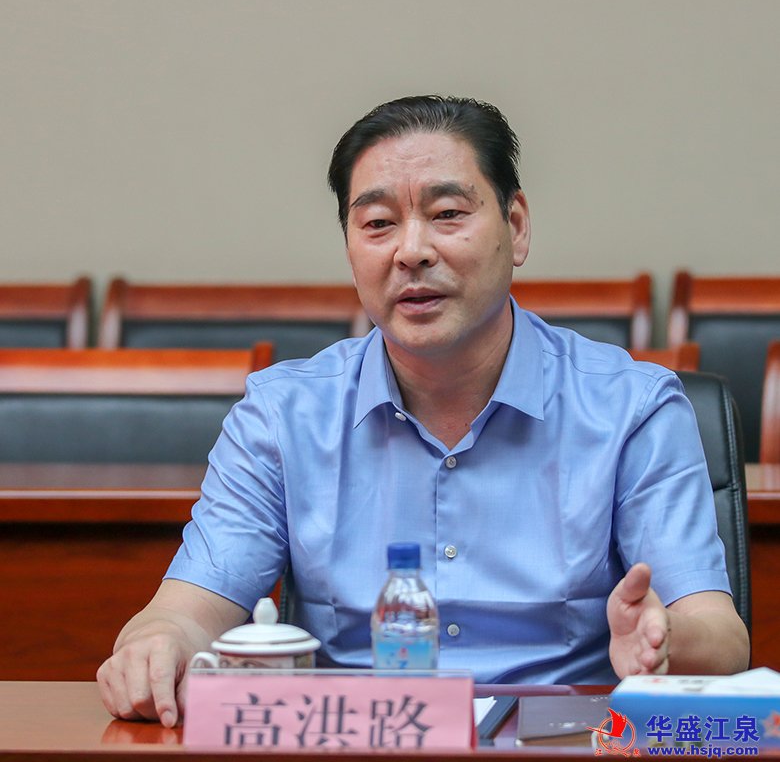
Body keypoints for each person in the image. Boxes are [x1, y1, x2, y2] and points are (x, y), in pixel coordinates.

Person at [97, 95, 749, 728]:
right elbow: (187, 610)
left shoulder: (633, 408)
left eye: (447, 214)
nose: (411, 251)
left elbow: (720, 637)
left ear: (516, 226)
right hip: (361, 749)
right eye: (378, 224)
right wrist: (157, 641)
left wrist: (665, 639)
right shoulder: (283, 415)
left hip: (562, 751)